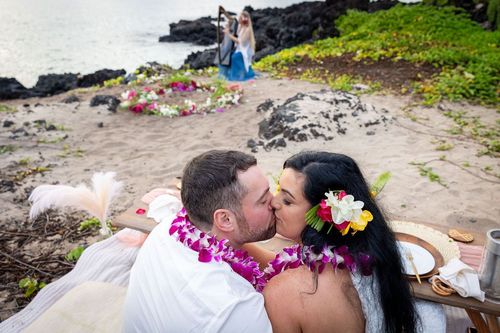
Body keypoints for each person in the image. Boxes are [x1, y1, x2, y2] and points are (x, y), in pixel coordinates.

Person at [245, 151, 445, 332]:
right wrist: (237, 242)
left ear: (324, 214)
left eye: (287, 200)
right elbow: (277, 262)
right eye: (278, 189)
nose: (273, 201)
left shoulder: (283, 293)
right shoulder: (369, 254)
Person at [122, 150, 275, 332]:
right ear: (225, 220)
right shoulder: (234, 306)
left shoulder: (172, 226)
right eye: (264, 200)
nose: (276, 202)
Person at [218, 8, 256, 81]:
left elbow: (239, 41)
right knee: (225, 56)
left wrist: (228, 34)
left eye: (245, 18)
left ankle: (237, 75)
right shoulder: (240, 26)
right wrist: (224, 13)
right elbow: (232, 20)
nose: (244, 19)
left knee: (234, 57)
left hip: (244, 51)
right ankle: (225, 73)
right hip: (239, 49)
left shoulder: (248, 30)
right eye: (242, 18)